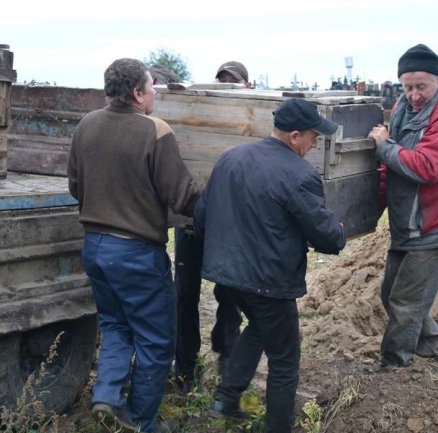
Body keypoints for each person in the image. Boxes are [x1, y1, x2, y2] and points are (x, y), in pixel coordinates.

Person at [195, 98, 345, 433]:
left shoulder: (231, 158)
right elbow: (327, 238)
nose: (315, 143)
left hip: (226, 275)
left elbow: (201, 216)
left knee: (261, 328)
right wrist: (338, 231)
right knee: (285, 359)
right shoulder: (300, 174)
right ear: (294, 137)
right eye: (312, 137)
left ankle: (226, 398)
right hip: (268, 282)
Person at [67, 58, 202, 433]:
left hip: (94, 247)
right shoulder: (155, 131)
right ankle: (139, 421)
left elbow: (75, 187)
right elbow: (183, 197)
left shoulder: (86, 125)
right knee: (157, 341)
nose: (156, 91)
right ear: (137, 94)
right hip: (136, 254)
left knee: (114, 326)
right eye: (151, 86)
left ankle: (107, 397)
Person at [367, 44, 438, 368]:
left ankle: (394, 366)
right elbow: (393, 166)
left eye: (421, 87)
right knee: (392, 295)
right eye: (407, 87)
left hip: (437, 222)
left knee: (405, 301)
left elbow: (427, 167)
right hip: (408, 220)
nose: (413, 94)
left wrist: (385, 147)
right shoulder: (403, 107)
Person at [173, 60, 249, 390]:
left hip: (233, 229)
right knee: (185, 294)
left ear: (247, 85)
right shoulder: (201, 118)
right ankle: (185, 367)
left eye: (233, 81)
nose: (226, 86)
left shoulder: (253, 120)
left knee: (230, 294)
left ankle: (227, 356)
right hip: (192, 223)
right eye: (221, 82)